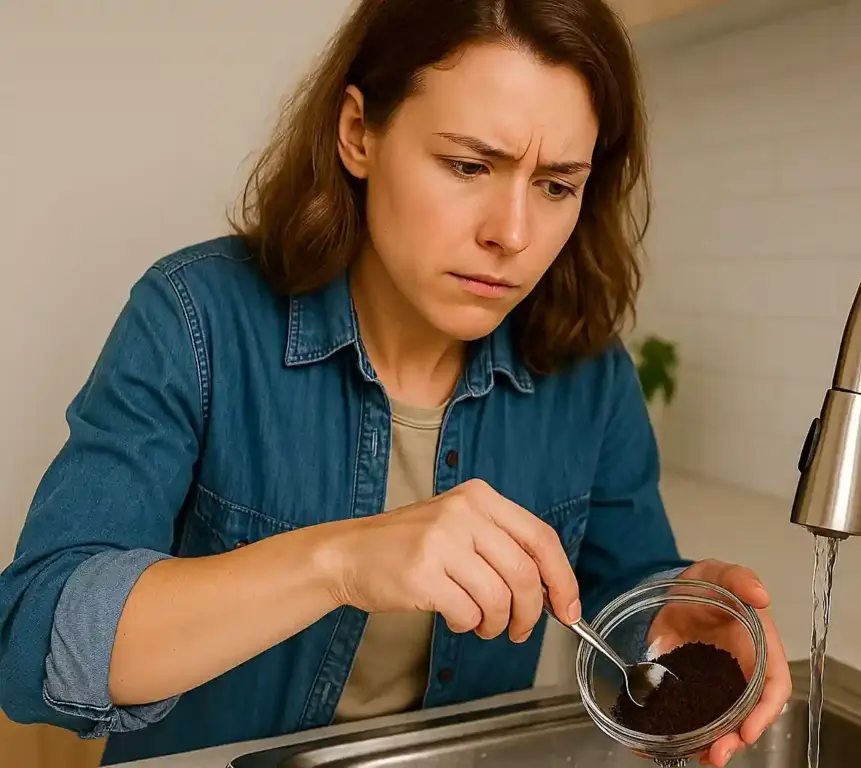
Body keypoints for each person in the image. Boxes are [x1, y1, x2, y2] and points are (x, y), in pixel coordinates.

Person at [0, 1, 791, 765]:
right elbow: (37, 642)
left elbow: (625, 604)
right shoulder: (194, 319)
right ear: (358, 134)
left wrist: (671, 617)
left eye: (555, 185)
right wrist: (339, 561)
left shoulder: (589, 373)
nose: (511, 234)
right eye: (468, 164)